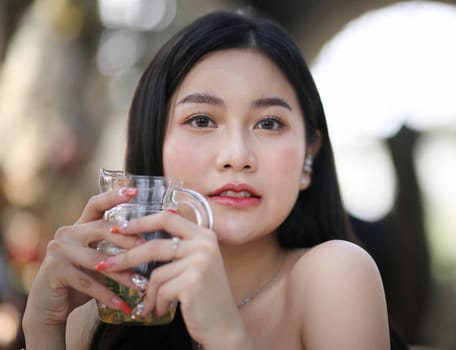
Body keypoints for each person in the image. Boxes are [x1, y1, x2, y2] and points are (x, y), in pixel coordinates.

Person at [21, 9, 391, 350]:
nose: (236, 157)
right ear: (155, 142)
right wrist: (43, 329)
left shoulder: (335, 277)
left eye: (269, 123)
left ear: (309, 156)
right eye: (201, 120)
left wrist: (227, 336)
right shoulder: (105, 312)